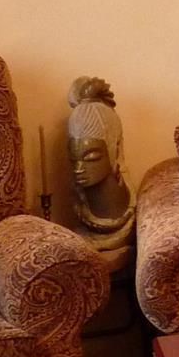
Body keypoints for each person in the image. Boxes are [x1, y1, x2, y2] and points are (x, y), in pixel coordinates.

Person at [66, 77, 135, 254]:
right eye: (74, 158)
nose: (78, 169)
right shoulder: (81, 212)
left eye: (91, 156)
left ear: (114, 151)